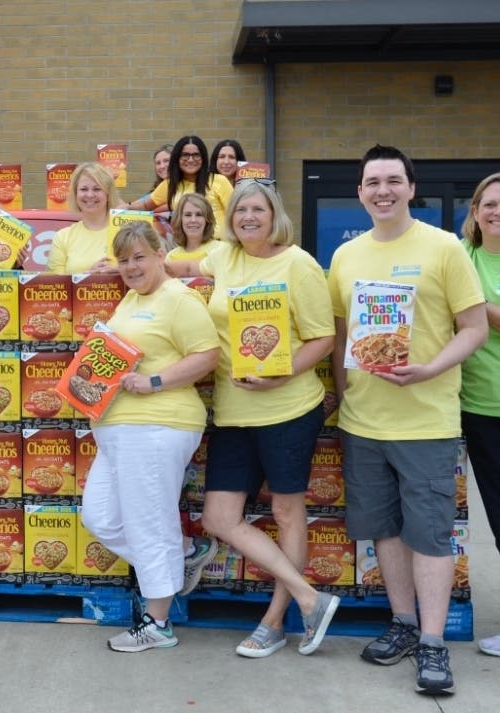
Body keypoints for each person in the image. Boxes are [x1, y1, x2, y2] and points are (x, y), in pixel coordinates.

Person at [328, 145, 487, 695]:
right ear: (360, 193)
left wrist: (428, 370)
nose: (383, 191)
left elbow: (474, 329)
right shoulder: (346, 257)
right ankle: (402, 624)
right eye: (372, 182)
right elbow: (344, 336)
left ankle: (435, 643)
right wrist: (344, 394)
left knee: (432, 535)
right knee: (385, 532)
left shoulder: (444, 248)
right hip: (364, 423)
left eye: (393, 180)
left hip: (427, 422)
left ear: (411, 188)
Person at [191, 179, 340, 659]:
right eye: (239, 211)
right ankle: (311, 597)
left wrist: (280, 376)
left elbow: (322, 338)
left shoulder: (299, 264)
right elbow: (175, 263)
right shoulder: (223, 258)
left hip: (289, 408)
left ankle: (274, 622)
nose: (248, 217)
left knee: (284, 511)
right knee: (219, 517)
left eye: (257, 209)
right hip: (234, 413)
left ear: (275, 214)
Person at [81, 221, 220, 653]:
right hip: (118, 431)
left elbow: (208, 355)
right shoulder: (131, 299)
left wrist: (155, 381)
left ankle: (157, 623)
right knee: (100, 517)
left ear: (162, 254)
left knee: (147, 523)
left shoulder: (179, 299)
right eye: (124, 259)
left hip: (159, 425)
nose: (131, 266)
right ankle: (180, 551)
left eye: (140, 256)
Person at [459, 173, 500, 657]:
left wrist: (472, 303)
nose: (495, 211)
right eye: (488, 203)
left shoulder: (464, 273)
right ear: (475, 211)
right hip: (474, 406)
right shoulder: (464, 257)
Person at [128, 135, 233, 238]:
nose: (191, 160)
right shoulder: (170, 184)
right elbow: (145, 206)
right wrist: (123, 208)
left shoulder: (219, 181)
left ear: (203, 158)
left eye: (196, 155)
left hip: (219, 247)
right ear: (177, 158)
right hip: (186, 248)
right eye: (185, 155)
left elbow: (234, 213)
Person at [47, 162, 120, 275]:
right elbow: (54, 287)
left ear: (108, 194)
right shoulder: (62, 237)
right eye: (84, 189)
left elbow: (151, 271)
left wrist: (122, 270)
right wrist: (87, 276)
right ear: (76, 194)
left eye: (97, 189)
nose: (90, 195)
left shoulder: (125, 231)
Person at [164, 193, 220, 275]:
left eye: (199, 215)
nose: (193, 220)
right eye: (188, 215)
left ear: (207, 220)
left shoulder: (220, 249)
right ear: (180, 219)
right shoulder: (171, 257)